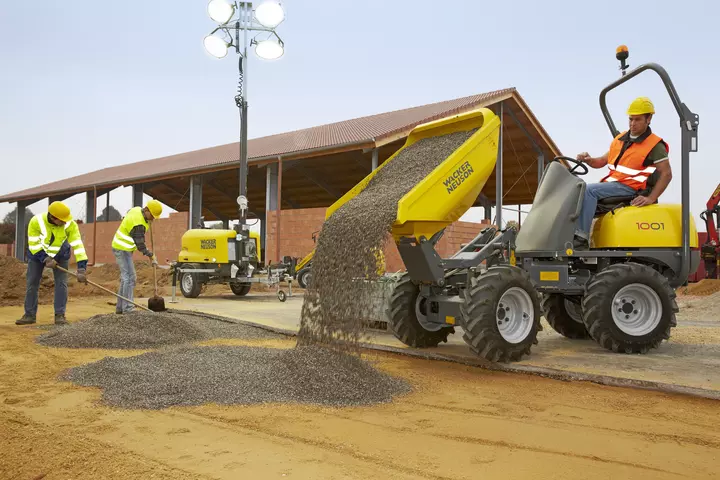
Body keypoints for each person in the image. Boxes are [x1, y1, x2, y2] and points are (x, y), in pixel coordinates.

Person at [574, 97, 672, 247]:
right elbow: (601, 161)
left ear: (649, 119)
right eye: (631, 119)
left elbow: (666, 174)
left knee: (588, 190)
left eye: (637, 119)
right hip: (614, 185)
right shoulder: (620, 139)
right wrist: (589, 159)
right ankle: (568, 236)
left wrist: (651, 198)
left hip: (632, 188)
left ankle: (580, 240)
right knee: (575, 192)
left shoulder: (654, 145)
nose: (633, 123)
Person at [16, 201, 88, 326]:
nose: (65, 222)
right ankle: (29, 315)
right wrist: (46, 258)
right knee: (32, 282)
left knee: (61, 283)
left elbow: (78, 246)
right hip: (37, 255)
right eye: (62, 220)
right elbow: (34, 244)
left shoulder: (70, 224)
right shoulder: (36, 221)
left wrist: (81, 268)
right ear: (53, 217)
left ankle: (60, 315)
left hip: (61, 255)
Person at [111, 200, 162, 314]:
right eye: (152, 216)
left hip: (125, 248)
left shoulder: (137, 209)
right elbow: (140, 245)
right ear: (147, 210)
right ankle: (128, 308)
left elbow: (128, 213)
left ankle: (120, 308)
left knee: (127, 278)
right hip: (121, 248)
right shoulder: (138, 224)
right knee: (129, 278)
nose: (153, 219)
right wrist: (151, 255)